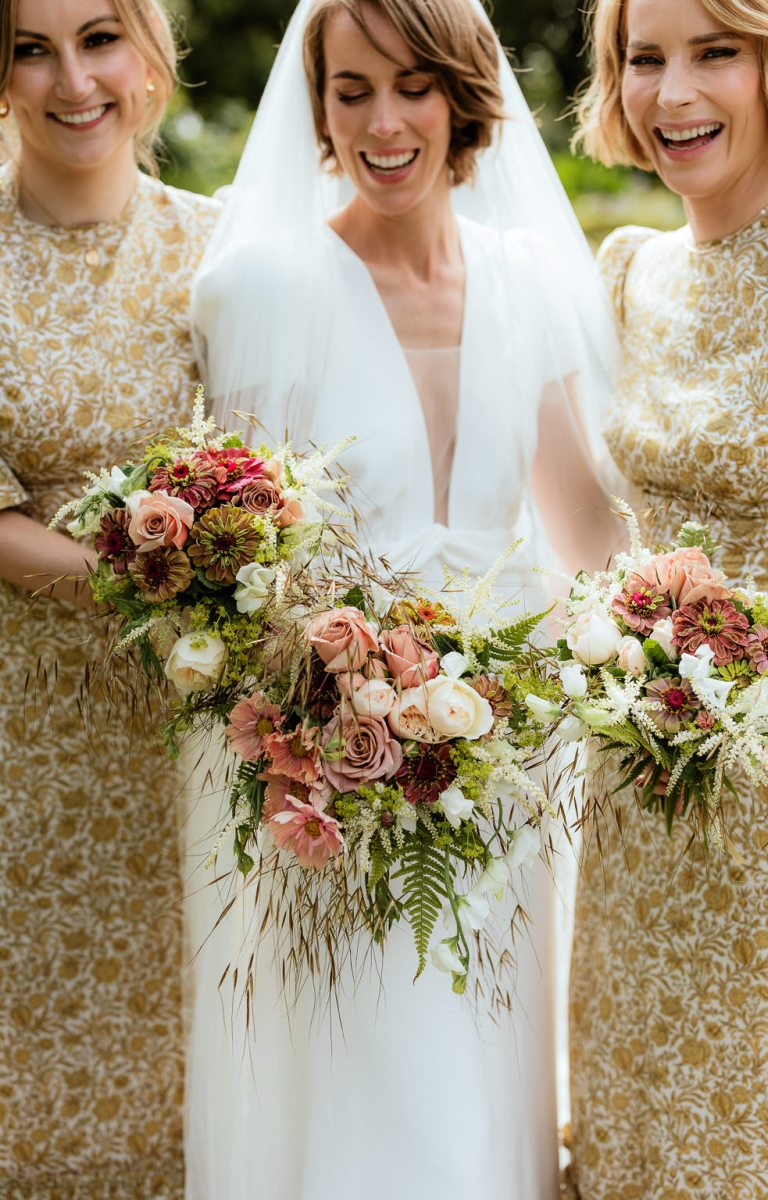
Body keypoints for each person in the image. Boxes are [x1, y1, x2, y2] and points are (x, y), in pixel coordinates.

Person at [189, 1, 619, 1197]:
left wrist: (676, 642)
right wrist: (315, 720)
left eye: (413, 86)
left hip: (504, 761)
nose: (383, 122)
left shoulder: (528, 275)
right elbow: (238, 557)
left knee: (484, 1070)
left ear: (462, 96)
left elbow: (580, 523)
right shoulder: (259, 287)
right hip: (328, 767)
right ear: (316, 109)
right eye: (351, 90)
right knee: (366, 1076)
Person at [567, 0, 768, 1196]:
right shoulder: (631, 270)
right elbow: (602, 526)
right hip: (641, 758)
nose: (671, 94)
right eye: (642, 58)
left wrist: (751, 651)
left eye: (713, 52)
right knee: (637, 1086)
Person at [0, 1, 218, 1195]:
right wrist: (163, 582)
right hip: (25, 725)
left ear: (149, 54)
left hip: (196, 726)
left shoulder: (226, 247)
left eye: (97, 38)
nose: (71, 79)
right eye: (30, 48)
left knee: (189, 1039)